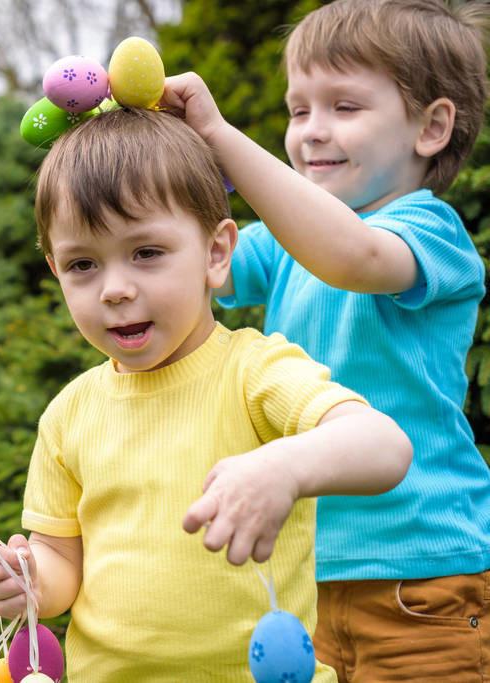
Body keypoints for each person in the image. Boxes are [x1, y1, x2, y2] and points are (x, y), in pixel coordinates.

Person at [0, 107, 412, 682]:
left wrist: (285, 467)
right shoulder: (69, 414)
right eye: (83, 264)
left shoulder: (255, 372)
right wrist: (28, 577)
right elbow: (63, 567)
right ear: (56, 270)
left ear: (215, 253)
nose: (116, 290)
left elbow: (385, 448)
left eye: (146, 252)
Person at [159, 0, 490, 679]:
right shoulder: (284, 244)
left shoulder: (427, 232)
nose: (310, 131)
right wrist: (150, 155)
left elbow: (352, 258)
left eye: (343, 107)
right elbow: (195, 264)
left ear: (430, 127)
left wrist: (221, 135)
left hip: (419, 575)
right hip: (307, 571)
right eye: (297, 109)